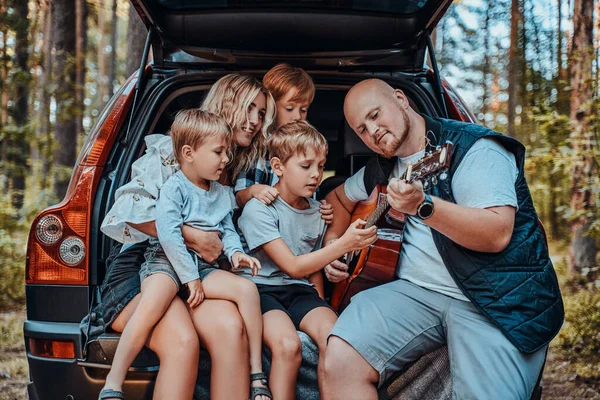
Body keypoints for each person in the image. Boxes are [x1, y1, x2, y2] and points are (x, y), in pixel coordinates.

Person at [320, 79, 564, 399]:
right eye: (362, 129)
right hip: (414, 292)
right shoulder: (381, 167)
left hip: (492, 300)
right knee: (339, 360)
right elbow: (338, 200)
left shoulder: (474, 148)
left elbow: (497, 233)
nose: (372, 131)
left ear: (400, 99)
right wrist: (334, 243)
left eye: (376, 115)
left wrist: (423, 206)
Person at [86, 73, 277, 400]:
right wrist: (192, 237)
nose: (256, 121)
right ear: (227, 103)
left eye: (261, 114)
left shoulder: (230, 168)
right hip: (142, 267)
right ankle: (112, 387)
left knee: (232, 330)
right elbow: (127, 209)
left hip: (198, 271)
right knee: (183, 342)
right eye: (250, 108)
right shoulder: (170, 150)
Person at [235, 121, 378, 400]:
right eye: (306, 166)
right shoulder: (258, 210)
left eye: (321, 166)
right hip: (261, 291)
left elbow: (311, 269)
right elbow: (293, 265)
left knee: (337, 341)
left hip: (300, 290)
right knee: (288, 347)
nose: (316, 175)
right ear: (277, 167)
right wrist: (345, 244)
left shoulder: (318, 210)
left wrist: (322, 303)